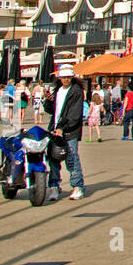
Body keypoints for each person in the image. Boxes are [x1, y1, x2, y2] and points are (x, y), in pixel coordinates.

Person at [43, 65, 85, 201]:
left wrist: (63, 127)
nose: (66, 80)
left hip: (69, 131)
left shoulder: (76, 91)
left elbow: (75, 114)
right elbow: (52, 111)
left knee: (71, 157)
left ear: (72, 77)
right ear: (59, 78)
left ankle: (78, 186)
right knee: (53, 158)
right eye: (64, 77)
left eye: (68, 77)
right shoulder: (58, 91)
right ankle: (54, 185)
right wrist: (48, 101)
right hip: (54, 130)